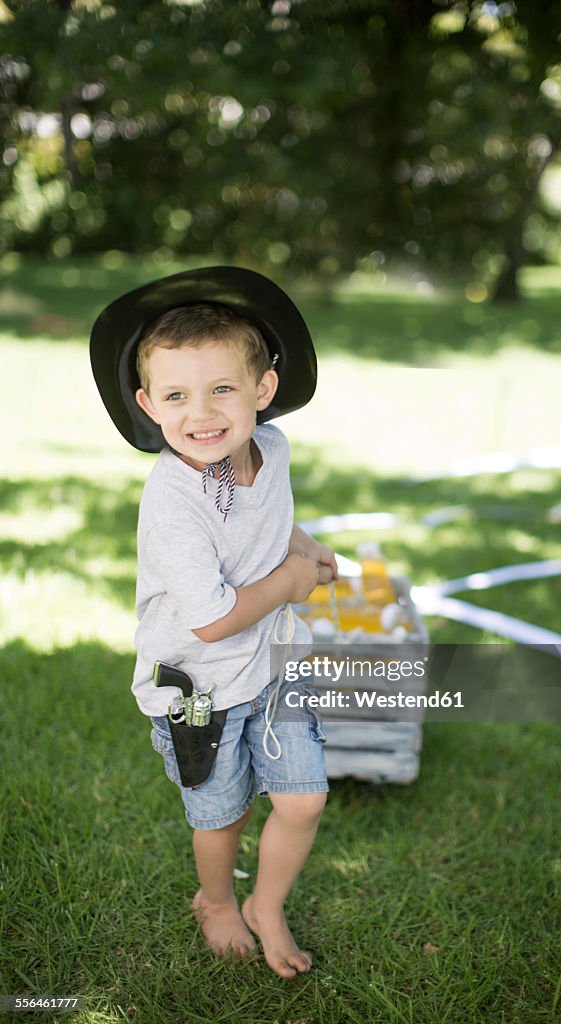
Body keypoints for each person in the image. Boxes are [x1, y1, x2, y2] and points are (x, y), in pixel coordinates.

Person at [90, 267, 338, 978]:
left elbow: (265, 521)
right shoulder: (174, 501)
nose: (201, 413)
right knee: (222, 814)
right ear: (147, 404)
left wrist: (304, 547)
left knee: (304, 797)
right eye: (176, 396)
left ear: (263, 390)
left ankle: (267, 902)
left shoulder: (271, 450)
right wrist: (292, 581)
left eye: (222, 389)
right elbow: (214, 623)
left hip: (271, 664)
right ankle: (217, 900)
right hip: (199, 689)